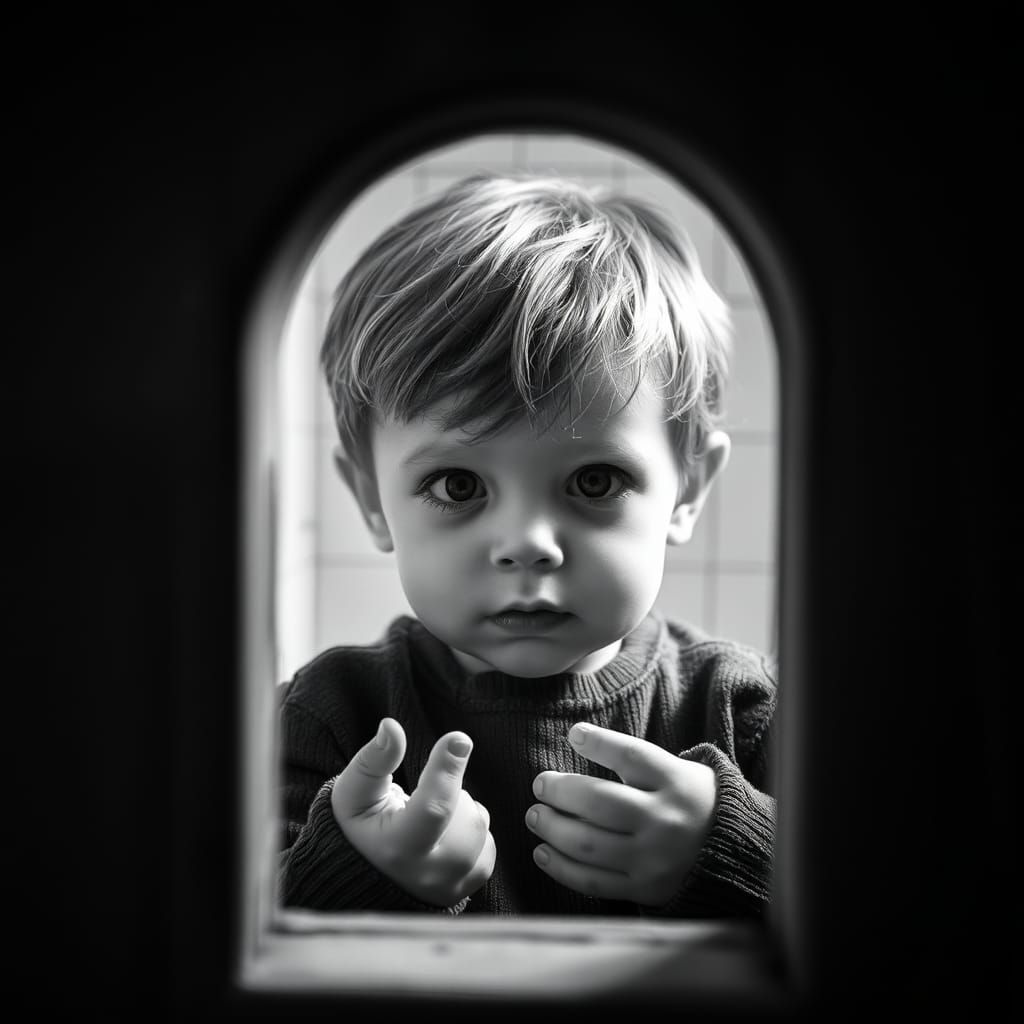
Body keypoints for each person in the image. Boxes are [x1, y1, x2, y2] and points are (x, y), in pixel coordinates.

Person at [277, 173, 776, 917]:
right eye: (457, 486)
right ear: (371, 500)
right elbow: (196, 938)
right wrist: (355, 870)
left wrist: (739, 850)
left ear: (690, 487)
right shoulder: (330, 717)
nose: (528, 546)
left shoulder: (742, 711)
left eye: (596, 482)